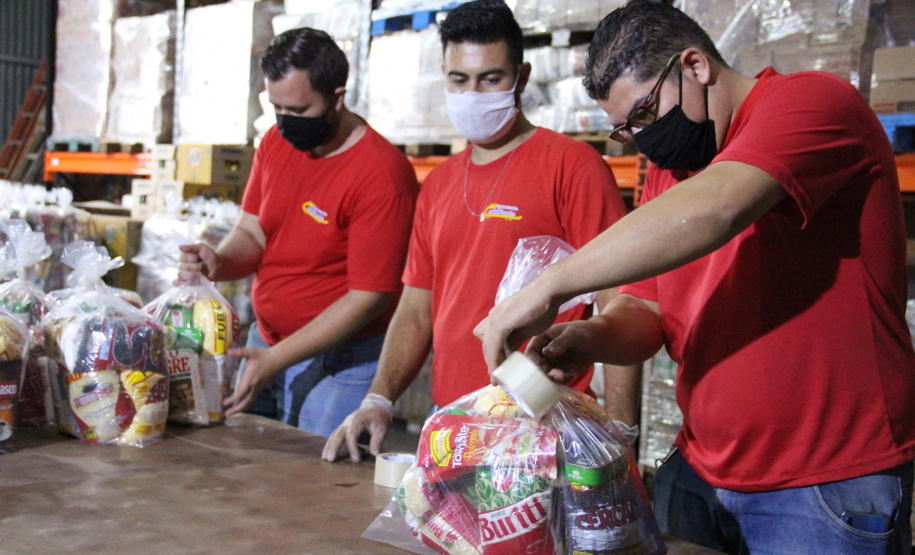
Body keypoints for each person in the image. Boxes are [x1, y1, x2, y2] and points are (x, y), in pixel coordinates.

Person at [476, 2, 915, 553]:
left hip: (822, 484)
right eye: (626, 130)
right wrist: (589, 337)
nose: (643, 140)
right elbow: (649, 310)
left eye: (644, 115)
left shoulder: (812, 102)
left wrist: (548, 286)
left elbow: (719, 208)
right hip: (701, 472)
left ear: (695, 66)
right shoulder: (670, 173)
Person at [322, 0, 629, 463]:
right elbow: (416, 308)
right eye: (459, 80)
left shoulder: (573, 167)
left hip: (541, 426)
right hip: (452, 425)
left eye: (490, 79)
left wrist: (621, 433)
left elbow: (619, 299)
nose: (473, 94)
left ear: (521, 78)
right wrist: (379, 399)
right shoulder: (439, 183)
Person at [177, 28, 419, 438]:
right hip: (265, 342)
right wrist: (219, 261)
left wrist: (277, 359)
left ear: (337, 98)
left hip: (339, 366)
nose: (285, 121)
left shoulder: (382, 175)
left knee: (315, 472)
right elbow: (253, 231)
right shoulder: (275, 142)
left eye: (298, 109)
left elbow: (368, 297)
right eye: (277, 108)